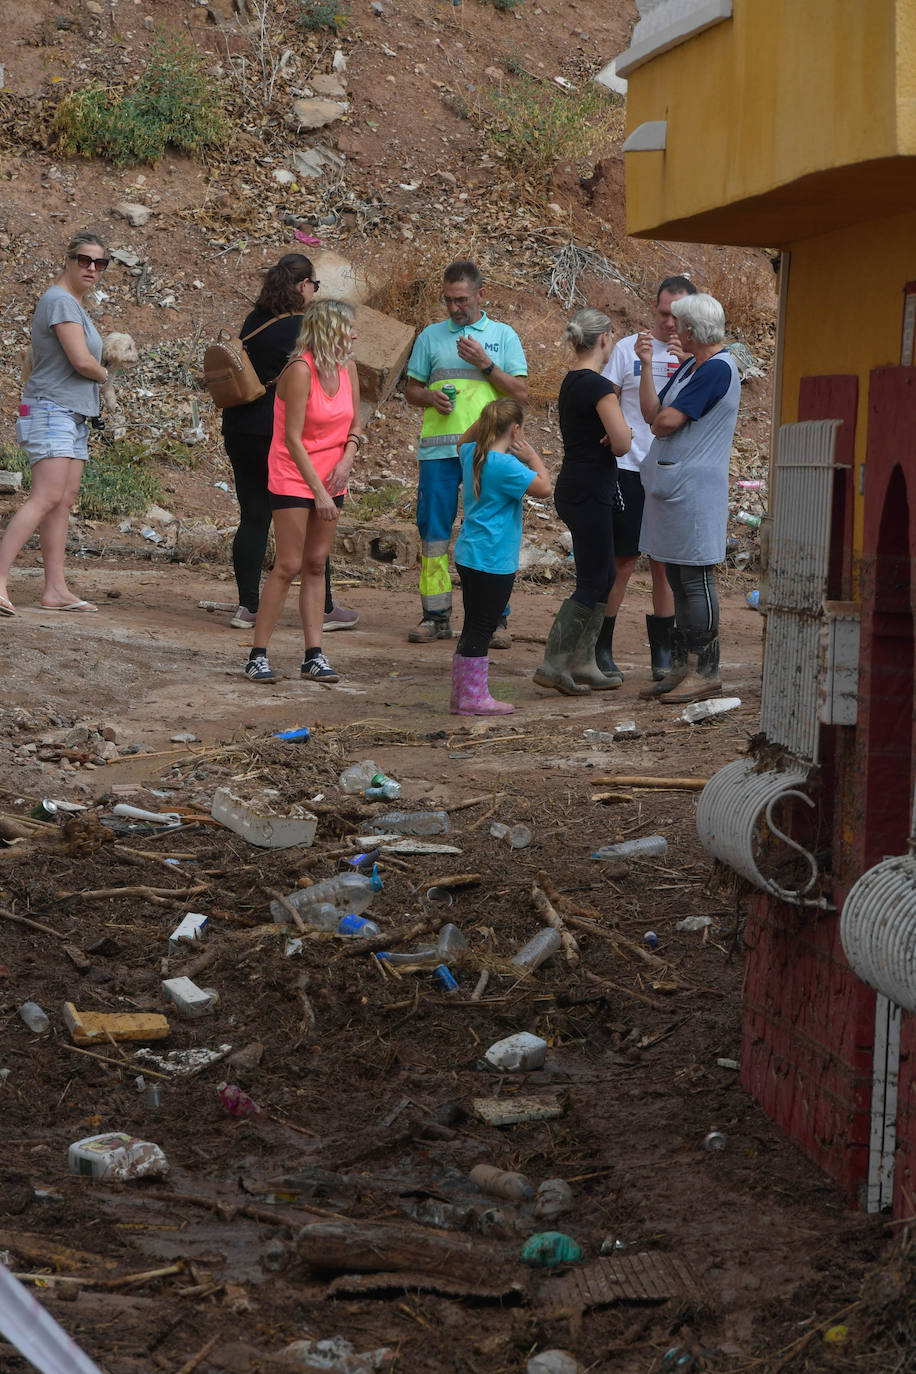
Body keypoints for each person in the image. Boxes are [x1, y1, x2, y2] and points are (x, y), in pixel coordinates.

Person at [221, 253, 358, 634]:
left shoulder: (255, 320)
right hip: (280, 438)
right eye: (315, 285)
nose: (315, 291)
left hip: (239, 429)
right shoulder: (301, 329)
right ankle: (325, 606)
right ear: (303, 286)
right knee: (311, 516)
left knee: (252, 516)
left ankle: (247, 605)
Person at [404, 260, 528, 647]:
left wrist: (485, 364)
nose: (454, 308)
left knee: (490, 531)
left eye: (461, 300)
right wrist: (429, 396)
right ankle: (436, 615)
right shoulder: (430, 336)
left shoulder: (503, 337)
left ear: (480, 294)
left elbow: (520, 394)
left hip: (486, 454)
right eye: (448, 300)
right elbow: (410, 391)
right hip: (439, 452)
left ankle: (495, 621)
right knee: (435, 534)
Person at [244, 300, 362, 685]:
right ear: (328, 330)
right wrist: (320, 493)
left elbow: (356, 426)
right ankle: (257, 654)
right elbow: (292, 440)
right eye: (349, 327)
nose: (356, 335)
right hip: (294, 475)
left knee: (316, 563)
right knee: (289, 565)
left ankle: (314, 655)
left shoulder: (348, 369)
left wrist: (346, 461)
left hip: (332, 476)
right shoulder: (299, 370)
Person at [636, 292, 740, 705]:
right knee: (678, 577)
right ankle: (682, 667)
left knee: (695, 577)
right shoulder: (692, 368)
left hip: (694, 490)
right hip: (675, 488)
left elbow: (665, 423)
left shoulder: (715, 370)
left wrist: (662, 418)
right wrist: (647, 369)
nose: (672, 328)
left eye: (679, 323)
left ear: (693, 330)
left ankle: (705, 670)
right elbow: (652, 414)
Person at [0, 231, 110, 616]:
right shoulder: (60, 301)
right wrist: (105, 373)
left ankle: (55, 589)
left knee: (61, 503)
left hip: (72, 414)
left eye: (100, 263)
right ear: (68, 259)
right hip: (50, 410)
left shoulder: (73, 305)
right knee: (45, 497)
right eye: (84, 260)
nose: (92, 268)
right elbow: (81, 361)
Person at [599, 275, 697, 683]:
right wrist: (608, 432)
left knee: (665, 564)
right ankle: (600, 645)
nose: (671, 323)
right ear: (653, 309)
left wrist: (683, 362)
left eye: (679, 315)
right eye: (663, 313)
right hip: (628, 467)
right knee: (623, 560)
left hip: (670, 471)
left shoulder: (696, 356)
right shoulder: (628, 348)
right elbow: (605, 395)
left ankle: (663, 651)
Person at [534, 309, 632, 695]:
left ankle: (583, 661)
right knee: (595, 579)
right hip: (590, 489)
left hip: (579, 485)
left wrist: (614, 430)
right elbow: (622, 442)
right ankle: (555, 662)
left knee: (603, 574)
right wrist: (622, 431)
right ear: (605, 338)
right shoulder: (599, 387)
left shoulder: (573, 382)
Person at [451, 399, 551, 714]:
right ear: (515, 429)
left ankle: (463, 695)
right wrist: (533, 455)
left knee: (472, 624)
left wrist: (487, 421)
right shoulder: (506, 466)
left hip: (470, 553)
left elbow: (461, 441)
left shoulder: (472, 455)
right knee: (483, 627)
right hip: (493, 559)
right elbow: (545, 488)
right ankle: (472, 698)